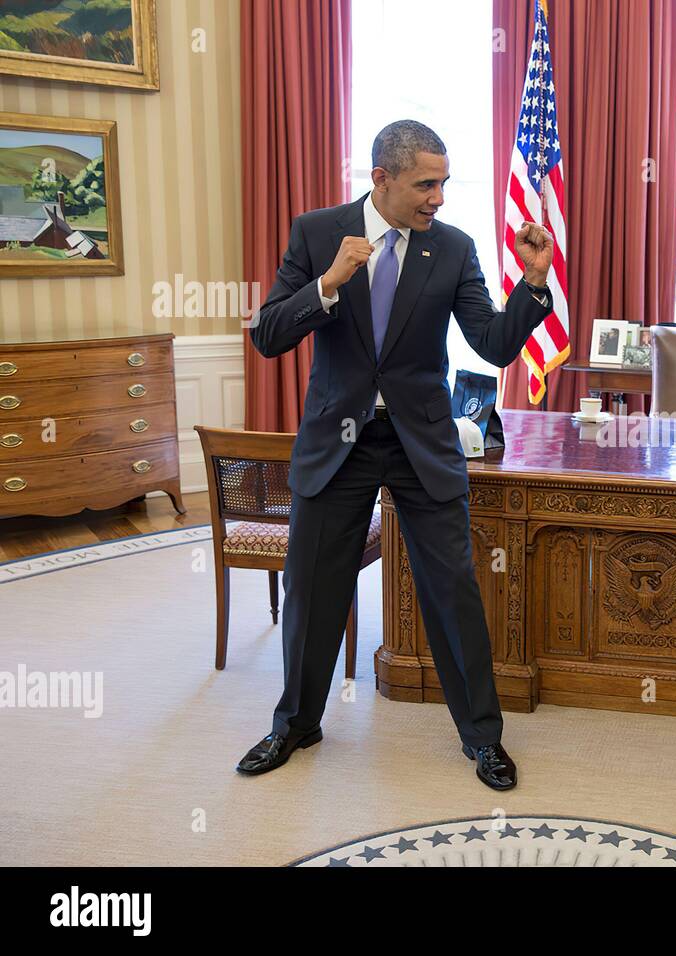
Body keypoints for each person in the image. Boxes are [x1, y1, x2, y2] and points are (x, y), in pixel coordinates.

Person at [239, 120, 555, 791]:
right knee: (312, 590)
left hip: (421, 443)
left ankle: (482, 738)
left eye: (443, 183)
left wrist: (532, 286)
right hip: (339, 444)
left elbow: (494, 344)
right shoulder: (316, 233)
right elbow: (267, 334)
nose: (438, 197)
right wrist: (327, 284)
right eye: (426, 184)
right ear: (381, 178)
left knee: (453, 590)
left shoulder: (453, 247)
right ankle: (296, 722)